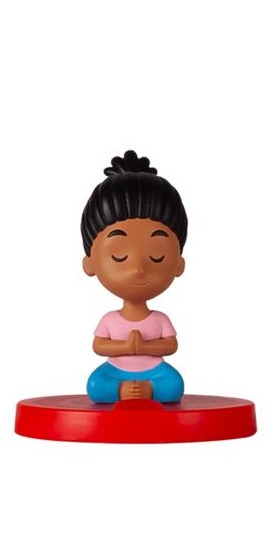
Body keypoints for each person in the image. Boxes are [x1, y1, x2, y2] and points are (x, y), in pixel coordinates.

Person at [81, 150, 188, 402]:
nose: (139, 268)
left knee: (173, 385)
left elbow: (170, 345)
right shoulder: (109, 320)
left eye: (157, 256)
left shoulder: (159, 319)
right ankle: (120, 391)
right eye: (119, 256)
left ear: (178, 264)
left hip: (155, 371)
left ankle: (149, 390)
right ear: (90, 263)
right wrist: (127, 347)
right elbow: (99, 346)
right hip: (115, 370)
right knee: (96, 385)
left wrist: (145, 347)